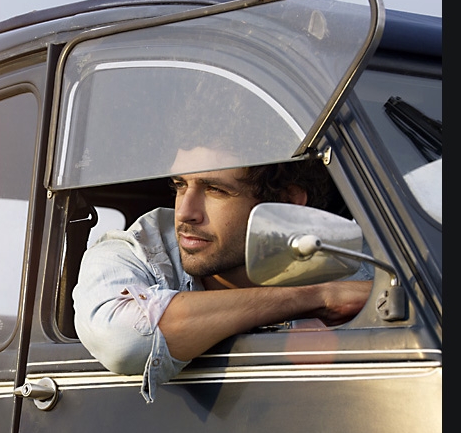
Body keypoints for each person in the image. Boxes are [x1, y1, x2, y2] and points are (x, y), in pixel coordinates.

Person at [72, 147, 373, 403]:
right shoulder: (135, 252)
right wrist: (316, 297)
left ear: (287, 201)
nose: (185, 212)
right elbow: (123, 341)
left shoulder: (354, 261)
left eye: (216, 190)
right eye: (180, 185)